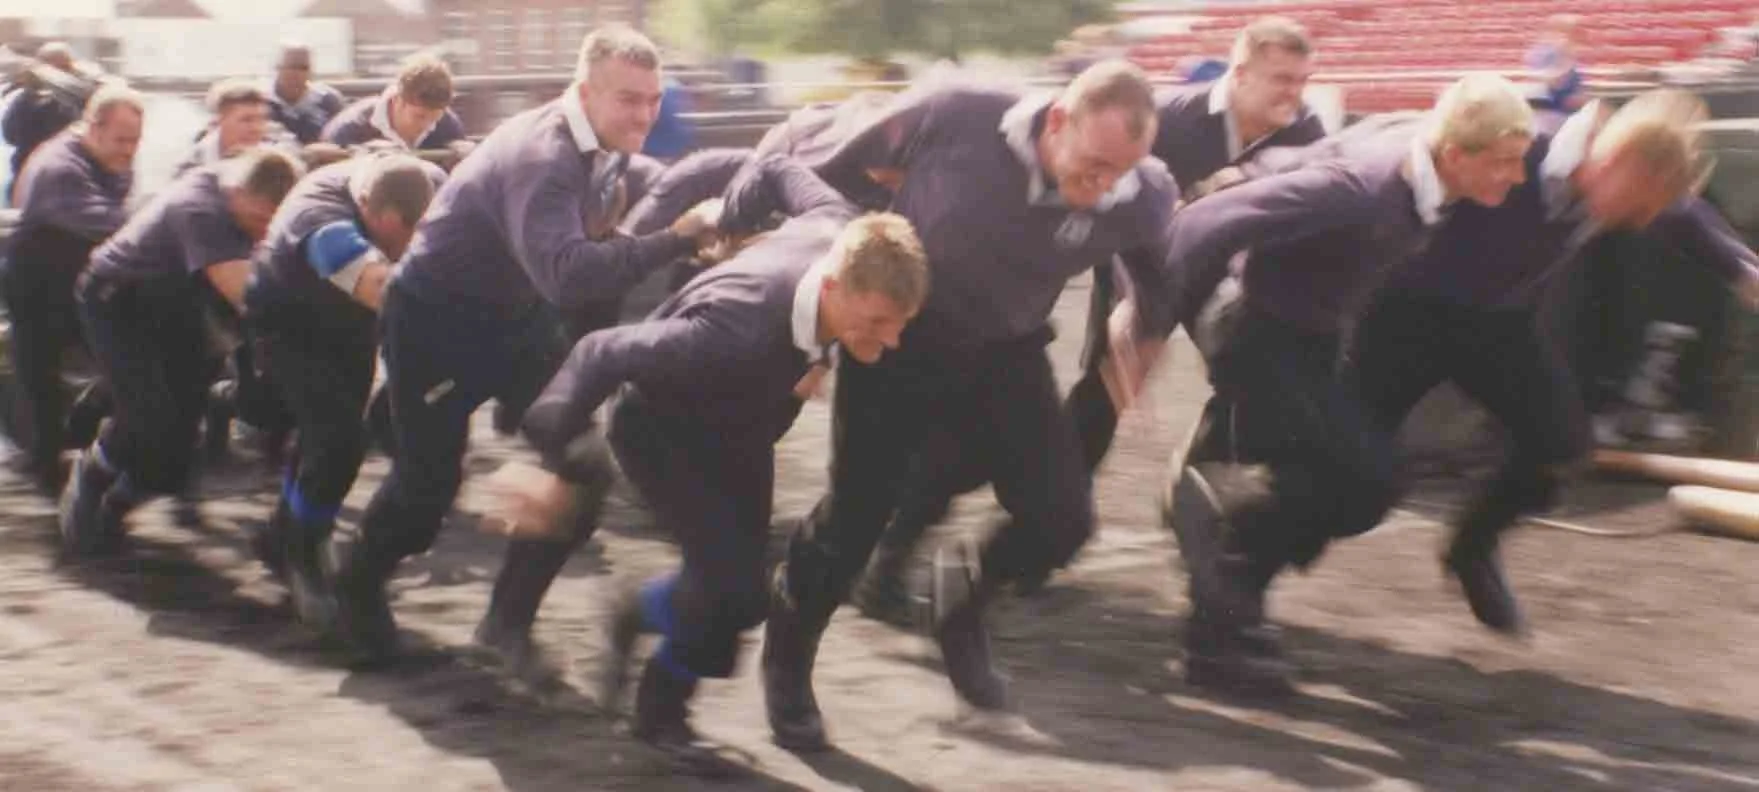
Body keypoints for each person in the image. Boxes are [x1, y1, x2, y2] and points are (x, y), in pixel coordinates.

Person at [853, 16, 1330, 623]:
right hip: (1102, 267)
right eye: (1281, 79)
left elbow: (1186, 241)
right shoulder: (1164, 120)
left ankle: (1140, 493)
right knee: (1073, 409)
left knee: (1243, 365)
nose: (1293, 93)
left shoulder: (1303, 131)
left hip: (1194, 275)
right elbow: (1110, 209)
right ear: (1240, 74)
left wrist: (1157, 319)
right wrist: (1131, 315)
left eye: (1302, 80)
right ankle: (1008, 532)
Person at [763, 61, 1179, 750]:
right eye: (1094, 166)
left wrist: (1138, 325)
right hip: (898, 338)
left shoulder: (1139, 192)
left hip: (1006, 351)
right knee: (855, 519)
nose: (1104, 187)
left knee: (1062, 518)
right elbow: (821, 173)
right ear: (1056, 122)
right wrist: (817, 320)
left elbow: (1154, 273)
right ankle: (787, 659)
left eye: (1122, 172)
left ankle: (960, 601)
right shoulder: (956, 115)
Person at [508, 156, 925, 768]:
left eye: (900, 324)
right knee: (727, 588)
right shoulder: (734, 328)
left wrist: (734, 221)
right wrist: (550, 460)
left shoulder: (838, 224)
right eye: (878, 323)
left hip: (740, 419)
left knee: (743, 598)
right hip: (661, 430)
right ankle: (657, 702)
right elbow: (601, 350)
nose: (890, 341)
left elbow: (778, 167)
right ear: (834, 287)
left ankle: (642, 616)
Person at [327, 26, 720, 667]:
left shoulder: (601, 141)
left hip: (517, 320)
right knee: (428, 493)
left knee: (584, 468)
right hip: (435, 325)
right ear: (585, 92)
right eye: (629, 99)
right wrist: (676, 238)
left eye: (653, 100)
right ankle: (355, 584)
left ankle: (504, 625)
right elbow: (568, 275)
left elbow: (635, 198)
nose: (645, 115)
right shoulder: (544, 156)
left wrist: (715, 222)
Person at [1155, 74, 1536, 693]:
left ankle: (1227, 592)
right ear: (1455, 154)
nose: (1517, 176)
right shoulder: (1364, 190)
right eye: (1504, 161)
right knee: (1364, 481)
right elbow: (1201, 222)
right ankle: (1216, 598)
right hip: (1260, 332)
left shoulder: (1418, 161)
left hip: (1311, 336)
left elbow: (1302, 157)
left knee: (1330, 478)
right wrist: (1144, 320)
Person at [1350, 89, 1759, 637]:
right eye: (1636, 201)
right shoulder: (1522, 148)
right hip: (1404, 319)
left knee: (1559, 443)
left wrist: (1745, 273)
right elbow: (1404, 171)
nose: (1636, 220)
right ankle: (1246, 562)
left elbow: (1685, 217)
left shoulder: (1624, 176)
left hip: (1497, 324)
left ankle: (1472, 548)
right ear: (1616, 163)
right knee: (1349, 479)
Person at [59, 149, 303, 557]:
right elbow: (250, 301)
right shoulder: (202, 211)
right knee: (146, 416)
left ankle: (119, 501)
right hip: (119, 300)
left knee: (180, 434)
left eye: (272, 223)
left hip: (178, 303)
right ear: (237, 193)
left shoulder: (242, 190)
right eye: (258, 219)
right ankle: (91, 475)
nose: (263, 232)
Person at [244, 153, 444, 626]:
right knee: (339, 443)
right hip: (288, 323)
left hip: (349, 323)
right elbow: (384, 291)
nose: (404, 248)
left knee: (328, 439)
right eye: (395, 238)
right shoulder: (325, 226)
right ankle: (301, 552)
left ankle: (283, 535)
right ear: (368, 207)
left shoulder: (429, 186)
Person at [2, 85, 141, 497]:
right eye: (121, 140)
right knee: (42, 380)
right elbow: (117, 226)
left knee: (121, 361)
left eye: (135, 140)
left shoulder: (107, 154)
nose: (129, 150)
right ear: (93, 127)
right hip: (36, 284)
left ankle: (73, 436)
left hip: (78, 275)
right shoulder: (59, 169)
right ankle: (48, 474)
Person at [322, 53, 469, 155]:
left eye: (435, 119)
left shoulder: (448, 125)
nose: (427, 126)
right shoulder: (347, 131)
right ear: (398, 101)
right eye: (420, 117)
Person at [2, 42, 89, 188]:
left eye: (66, 68)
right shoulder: (28, 98)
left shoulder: (79, 99)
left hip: (68, 180)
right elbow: (10, 134)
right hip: (33, 179)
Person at [174, 79, 293, 178]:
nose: (256, 128)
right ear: (220, 121)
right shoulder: (191, 169)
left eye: (262, 119)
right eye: (246, 120)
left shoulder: (278, 157)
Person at [266, 42, 346, 145]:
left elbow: (343, 139)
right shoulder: (260, 100)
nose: (297, 73)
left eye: (303, 68)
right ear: (277, 67)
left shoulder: (328, 100)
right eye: (291, 66)